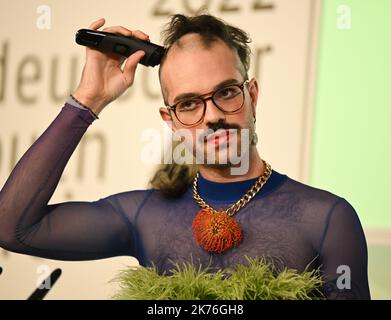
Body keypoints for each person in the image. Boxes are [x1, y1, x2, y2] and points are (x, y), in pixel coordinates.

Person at [0, 14, 370, 299]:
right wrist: (88, 99)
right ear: (171, 120)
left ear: (252, 95)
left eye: (226, 93)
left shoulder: (327, 218)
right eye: (189, 103)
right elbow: (12, 228)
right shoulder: (143, 217)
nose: (212, 116)